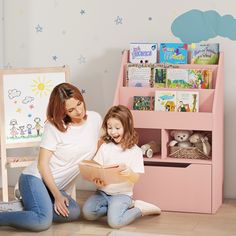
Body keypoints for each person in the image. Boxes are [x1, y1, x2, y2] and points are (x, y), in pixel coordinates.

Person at [0, 83, 102, 231]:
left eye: (80, 104)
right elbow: (42, 165)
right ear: (63, 111)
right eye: (71, 110)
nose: (79, 111)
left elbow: (102, 144)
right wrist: (58, 197)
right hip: (34, 178)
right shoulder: (54, 127)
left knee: (73, 212)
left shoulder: (95, 118)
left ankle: (21, 207)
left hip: (54, 188)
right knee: (42, 221)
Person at [82, 105, 161, 229]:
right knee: (88, 213)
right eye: (109, 128)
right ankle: (114, 210)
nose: (113, 132)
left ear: (127, 126)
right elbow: (97, 169)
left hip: (122, 194)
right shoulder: (105, 147)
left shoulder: (135, 151)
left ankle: (139, 208)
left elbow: (135, 178)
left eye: (117, 128)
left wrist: (129, 173)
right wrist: (96, 179)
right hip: (102, 193)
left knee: (115, 223)